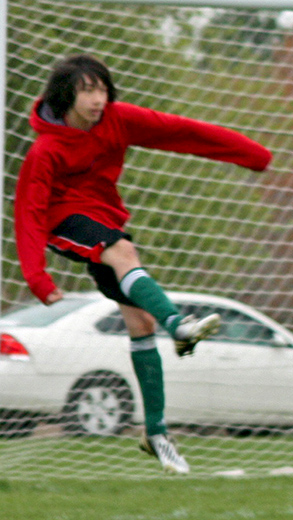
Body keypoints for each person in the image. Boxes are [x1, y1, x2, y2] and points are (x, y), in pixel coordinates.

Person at [14, 54, 273, 474]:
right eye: (87, 90)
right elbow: (28, 212)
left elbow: (181, 131)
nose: (98, 99)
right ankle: (181, 327)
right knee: (122, 254)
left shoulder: (118, 119)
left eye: (102, 89)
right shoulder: (46, 150)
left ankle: (155, 434)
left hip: (104, 216)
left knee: (139, 324)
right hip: (62, 220)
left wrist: (250, 153)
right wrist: (38, 278)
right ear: (67, 94)